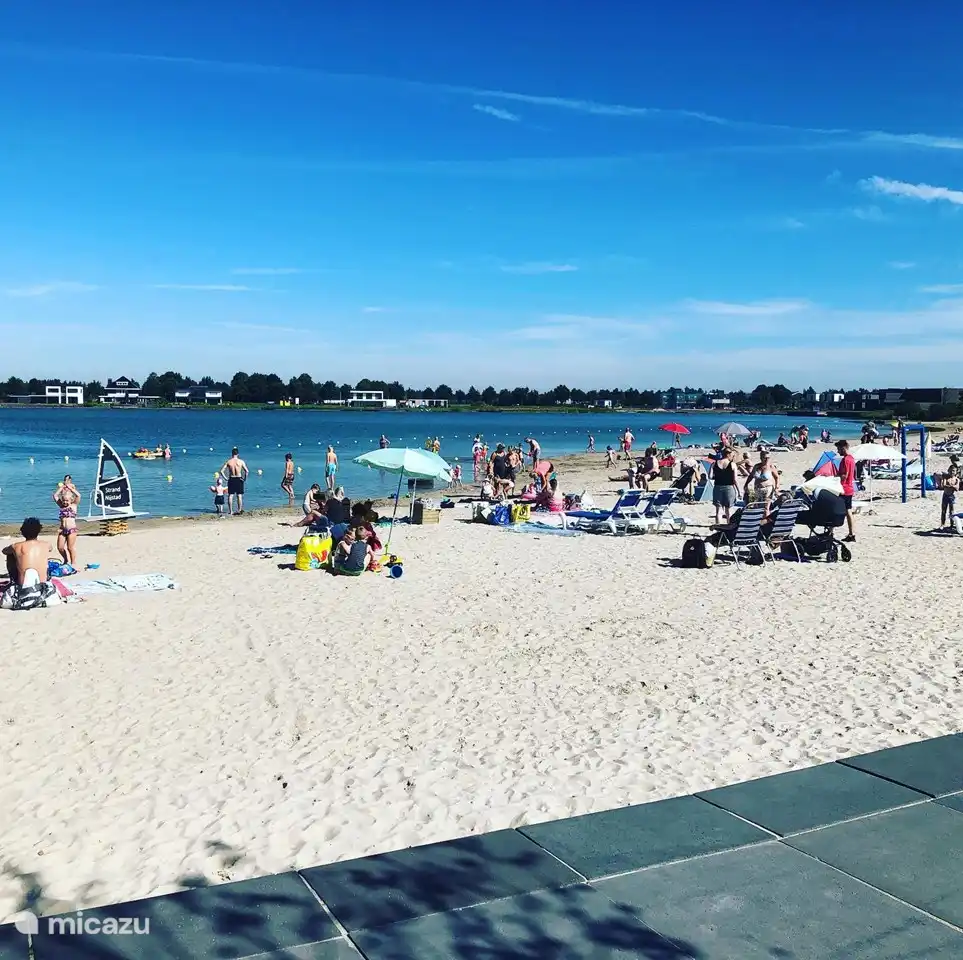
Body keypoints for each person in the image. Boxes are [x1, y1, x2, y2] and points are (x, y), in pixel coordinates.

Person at [2, 518, 56, 609]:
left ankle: (14, 580)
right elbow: (50, 549)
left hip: (22, 587)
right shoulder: (46, 544)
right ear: (39, 531)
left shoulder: (16, 546)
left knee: (10, 555)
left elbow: (4, 551)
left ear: (22, 531)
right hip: (42, 585)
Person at [51, 478, 80, 570]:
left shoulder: (74, 505)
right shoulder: (61, 506)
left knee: (70, 547)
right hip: (62, 530)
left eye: (67, 500)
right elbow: (55, 496)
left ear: (71, 500)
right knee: (60, 547)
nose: (65, 502)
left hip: (72, 530)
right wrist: (62, 487)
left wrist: (71, 489)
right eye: (63, 500)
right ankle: (65, 560)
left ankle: (73, 563)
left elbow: (78, 495)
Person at [836, 439, 857, 542]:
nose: (837, 451)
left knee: (835, 510)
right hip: (849, 487)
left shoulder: (845, 460)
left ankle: (830, 531)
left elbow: (844, 475)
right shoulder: (852, 459)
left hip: (843, 488)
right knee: (848, 510)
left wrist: (835, 477)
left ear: (843, 448)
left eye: (838, 448)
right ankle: (851, 533)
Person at [712, 446, 739, 525]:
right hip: (729, 488)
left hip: (717, 487)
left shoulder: (715, 463)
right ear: (728, 454)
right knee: (728, 510)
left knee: (718, 510)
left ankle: (718, 528)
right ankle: (728, 527)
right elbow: (735, 480)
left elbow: (710, 476)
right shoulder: (732, 464)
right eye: (732, 455)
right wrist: (738, 491)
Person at [222, 447, 249, 515]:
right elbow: (247, 471)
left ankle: (231, 511)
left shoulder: (229, 461)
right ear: (238, 454)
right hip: (239, 479)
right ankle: (239, 510)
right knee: (239, 495)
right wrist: (245, 478)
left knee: (230, 495)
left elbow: (221, 471)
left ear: (232, 454)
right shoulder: (241, 461)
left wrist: (225, 478)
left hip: (231, 478)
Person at [941, 464, 961, 529]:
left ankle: (951, 524)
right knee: (943, 510)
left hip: (951, 496)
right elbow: (943, 485)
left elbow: (957, 488)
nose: (952, 472)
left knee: (951, 511)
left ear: (956, 472)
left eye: (953, 471)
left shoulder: (957, 479)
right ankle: (942, 524)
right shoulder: (946, 478)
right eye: (951, 470)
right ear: (948, 471)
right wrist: (952, 486)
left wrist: (950, 486)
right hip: (945, 495)